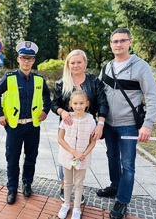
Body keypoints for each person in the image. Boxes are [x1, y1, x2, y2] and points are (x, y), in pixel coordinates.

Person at [97, 28, 156, 219]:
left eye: (122, 41)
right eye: (115, 41)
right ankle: (115, 186)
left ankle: (122, 201)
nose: (118, 44)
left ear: (129, 42)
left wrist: (148, 124)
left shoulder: (141, 67)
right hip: (108, 124)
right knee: (111, 157)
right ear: (111, 44)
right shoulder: (107, 67)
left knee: (128, 164)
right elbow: (99, 94)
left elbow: (152, 97)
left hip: (128, 125)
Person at [0, 41, 51, 205]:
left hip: (33, 126)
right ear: (18, 59)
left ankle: (27, 183)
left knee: (31, 156)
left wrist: (46, 110)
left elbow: (47, 96)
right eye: (24, 58)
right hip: (14, 126)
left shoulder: (39, 79)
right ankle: (11, 188)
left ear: (33, 61)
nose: (26, 61)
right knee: (12, 159)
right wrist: (0, 114)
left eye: (30, 58)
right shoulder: (9, 78)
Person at [51, 49, 109, 202]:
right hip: (67, 125)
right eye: (72, 62)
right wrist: (62, 112)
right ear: (68, 65)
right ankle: (64, 185)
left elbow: (103, 103)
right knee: (65, 156)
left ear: (85, 63)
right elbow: (54, 104)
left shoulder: (94, 81)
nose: (76, 65)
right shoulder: (61, 82)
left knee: (82, 155)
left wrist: (100, 124)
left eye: (79, 62)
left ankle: (77, 186)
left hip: (86, 125)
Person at [57, 90, 97, 219]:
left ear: (87, 104)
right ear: (70, 104)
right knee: (67, 182)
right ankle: (66, 204)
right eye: (75, 103)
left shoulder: (90, 120)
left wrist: (83, 154)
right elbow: (60, 139)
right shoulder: (67, 118)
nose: (78, 106)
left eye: (81, 103)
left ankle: (77, 208)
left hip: (82, 158)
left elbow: (92, 142)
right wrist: (74, 152)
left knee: (79, 184)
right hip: (67, 156)